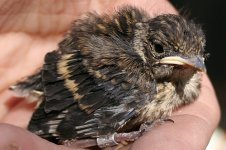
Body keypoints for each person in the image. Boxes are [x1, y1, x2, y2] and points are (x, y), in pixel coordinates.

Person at [0, 0, 220, 149]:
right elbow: (72, 118)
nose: (194, 64)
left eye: (196, 56)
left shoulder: (190, 82)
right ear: (145, 43)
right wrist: (110, 138)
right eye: (160, 50)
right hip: (61, 86)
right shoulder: (137, 80)